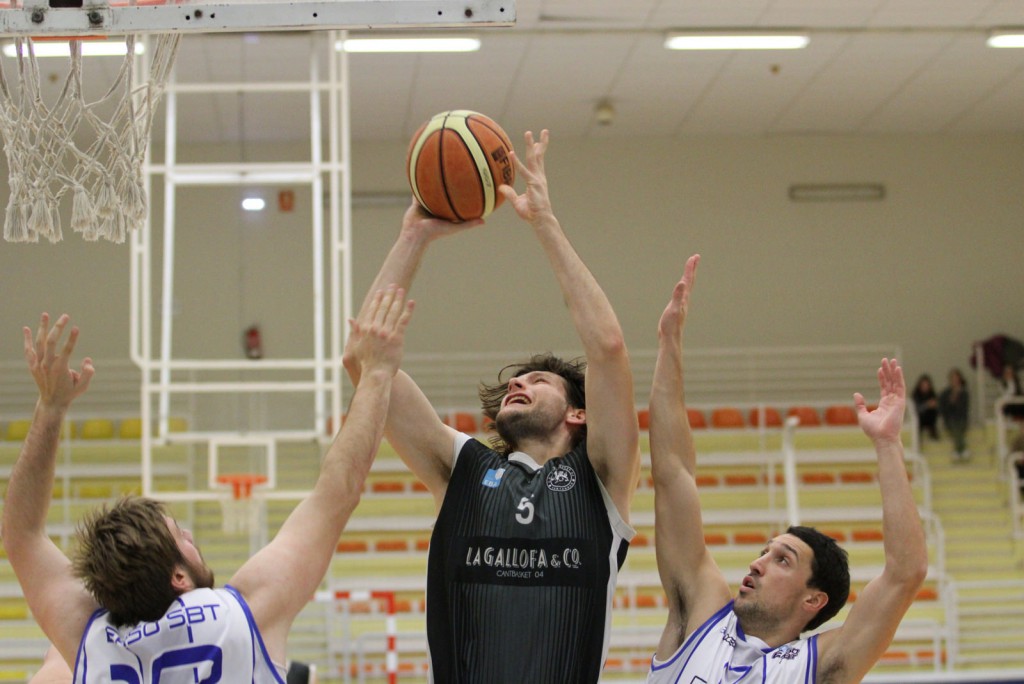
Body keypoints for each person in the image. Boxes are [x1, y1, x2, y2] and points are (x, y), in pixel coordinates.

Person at [344, 130, 640, 683]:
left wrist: (544, 224)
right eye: (513, 382)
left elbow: (608, 349)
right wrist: (413, 236)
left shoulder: (601, 478)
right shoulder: (463, 467)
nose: (517, 385)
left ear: (579, 413)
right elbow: (365, 365)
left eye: (538, 380)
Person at [2, 290, 412, 681]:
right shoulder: (244, 615)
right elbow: (338, 490)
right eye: (181, 536)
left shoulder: (90, 639)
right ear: (178, 577)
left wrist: (50, 408)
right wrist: (376, 373)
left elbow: (21, 534)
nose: (192, 534)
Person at [646, 255, 928, 683]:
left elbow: (906, 573)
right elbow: (672, 473)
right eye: (765, 551)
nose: (757, 563)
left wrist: (887, 444)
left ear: (814, 600)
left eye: (782, 560)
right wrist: (669, 346)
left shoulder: (819, 665)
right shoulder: (700, 616)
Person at [939, 368, 970, 461]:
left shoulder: (964, 393)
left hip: (961, 418)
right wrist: (952, 400)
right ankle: (962, 449)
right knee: (955, 427)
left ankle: (958, 450)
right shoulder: (945, 393)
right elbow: (944, 409)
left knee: (959, 427)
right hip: (950, 419)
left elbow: (964, 409)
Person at [911, 373, 940, 441]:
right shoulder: (916, 395)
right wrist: (927, 405)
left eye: (927, 385)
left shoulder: (932, 394)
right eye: (923, 385)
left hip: (930, 419)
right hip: (919, 419)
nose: (925, 387)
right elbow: (916, 409)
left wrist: (934, 405)